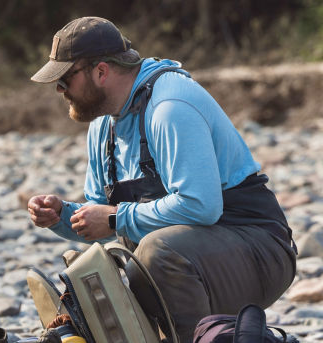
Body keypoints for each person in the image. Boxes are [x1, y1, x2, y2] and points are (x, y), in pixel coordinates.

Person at [27, 17, 296, 342]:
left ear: (100, 72)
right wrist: (63, 216)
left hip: (258, 248)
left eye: (65, 78)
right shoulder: (103, 126)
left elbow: (201, 207)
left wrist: (114, 218)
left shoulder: (170, 108)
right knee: (96, 262)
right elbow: (102, 221)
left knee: (156, 252)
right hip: (191, 252)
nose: (59, 89)